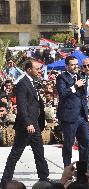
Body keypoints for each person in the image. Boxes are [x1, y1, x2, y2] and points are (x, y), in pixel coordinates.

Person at [1, 60, 49, 189]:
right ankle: (5, 181)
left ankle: (44, 178)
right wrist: (28, 123)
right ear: (28, 69)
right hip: (25, 126)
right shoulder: (22, 84)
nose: (39, 71)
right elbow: (22, 107)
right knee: (16, 153)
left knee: (39, 152)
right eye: (37, 68)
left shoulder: (35, 83)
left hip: (35, 124)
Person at [56, 56, 89, 170]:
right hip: (69, 117)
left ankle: (84, 170)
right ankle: (67, 168)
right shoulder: (62, 77)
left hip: (82, 116)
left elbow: (83, 97)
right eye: (72, 64)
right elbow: (62, 94)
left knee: (85, 142)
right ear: (67, 66)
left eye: (77, 64)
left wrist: (87, 113)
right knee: (68, 144)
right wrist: (75, 86)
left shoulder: (80, 76)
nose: (75, 66)